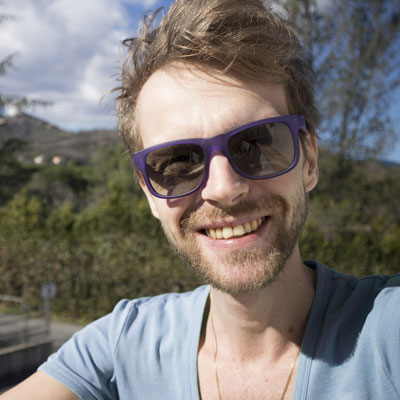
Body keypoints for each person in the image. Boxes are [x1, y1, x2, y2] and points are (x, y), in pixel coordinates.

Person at [2, 0, 399, 399]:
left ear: (309, 160)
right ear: (149, 192)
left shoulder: (386, 329)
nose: (223, 188)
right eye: (177, 162)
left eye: (259, 142)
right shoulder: (122, 343)